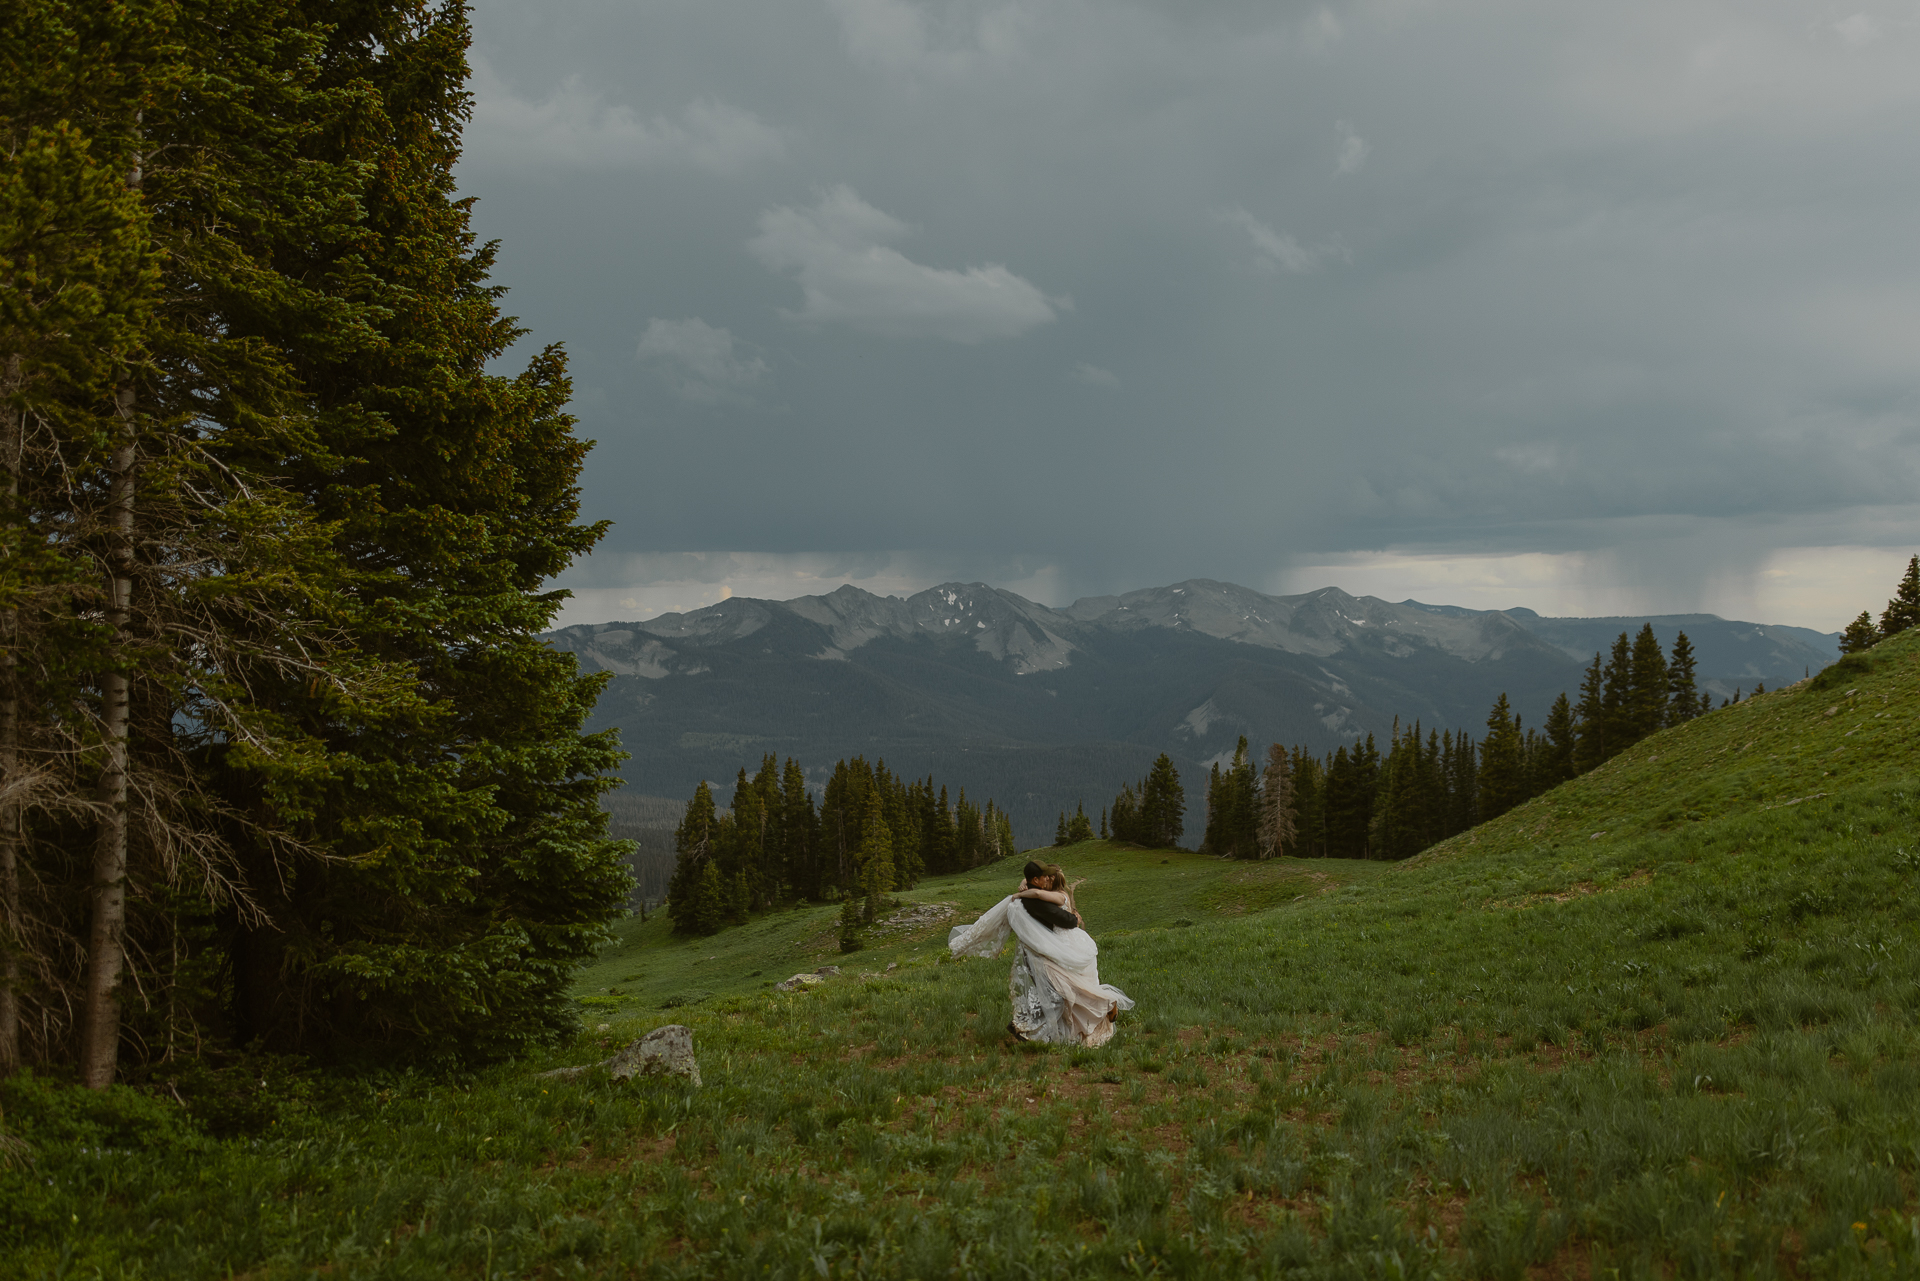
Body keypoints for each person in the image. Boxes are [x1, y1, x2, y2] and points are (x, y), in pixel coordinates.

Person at [947, 860, 1134, 1046]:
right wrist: (1073, 918)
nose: (1047, 879)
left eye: (1049, 876)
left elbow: (1056, 911)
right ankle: (1035, 1029)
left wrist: (1023, 888)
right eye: (1044, 876)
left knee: (1067, 989)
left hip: (1054, 949)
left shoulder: (1037, 896)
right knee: (1065, 989)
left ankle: (1098, 1006)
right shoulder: (1036, 900)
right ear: (1036, 880)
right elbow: (1062, 917)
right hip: (1050, 950)